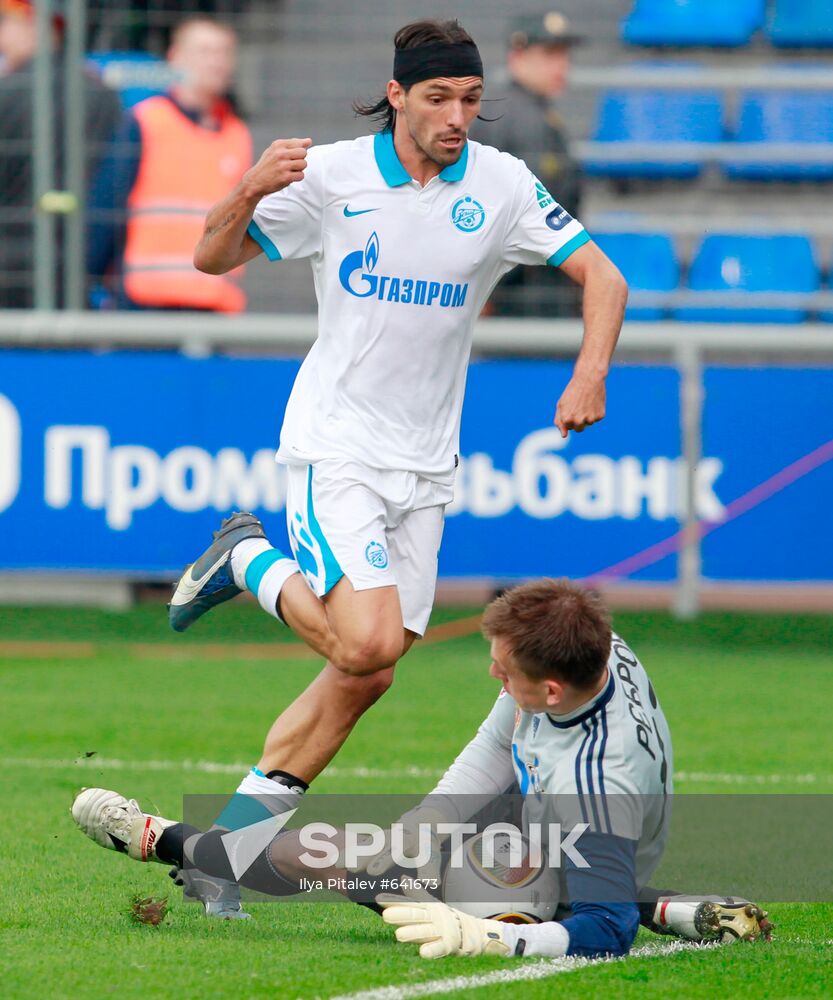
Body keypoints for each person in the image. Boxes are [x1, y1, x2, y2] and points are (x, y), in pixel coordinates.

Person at [137, 17, 626, 918]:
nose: (456, 116)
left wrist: (588, 372)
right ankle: (247, 558)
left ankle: (223, 852)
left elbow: (605, 277)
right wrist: (248, 189)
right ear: (397, 95)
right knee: (361, 644)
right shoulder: (331, 175)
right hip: (337, 446)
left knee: (368, 672)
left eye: (470, 99)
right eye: (438, 98)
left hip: (424, 466)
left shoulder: (501, 183)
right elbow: (209, 256)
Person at [71, 579, 772, 956]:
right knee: (390, 854)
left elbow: (607, 933)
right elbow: (495, 745)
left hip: (570, 841)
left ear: (553, 690)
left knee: (339, 861)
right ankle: (668, 907)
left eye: (506, 674)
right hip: (542, 812)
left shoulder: (594, 785)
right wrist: (425, 824)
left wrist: (493, 937)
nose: (494, 678)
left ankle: (159, 839)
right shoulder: (588, 643)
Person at [86, 16, 252, 311]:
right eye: (205, 51)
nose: (217, 62)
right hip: (145, 304)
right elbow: (107, 208)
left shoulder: (237, 135)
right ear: (176, 57)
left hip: (212, 304)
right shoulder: (146, 121)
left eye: (224, 52)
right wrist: (90, 281)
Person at [0, 0, 122, 308]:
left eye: (6, 23)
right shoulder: (102, 95)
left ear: (38, 26)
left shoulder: (7, 91)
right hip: (76, 260)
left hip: (9, 258)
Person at [469, 12, 584, 317]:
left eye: (564, 54)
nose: (562, 65)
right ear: (517, 56)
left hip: (535, 283)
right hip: (521, 291)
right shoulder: (514, 117)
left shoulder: (530, 111)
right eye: (549, 54)